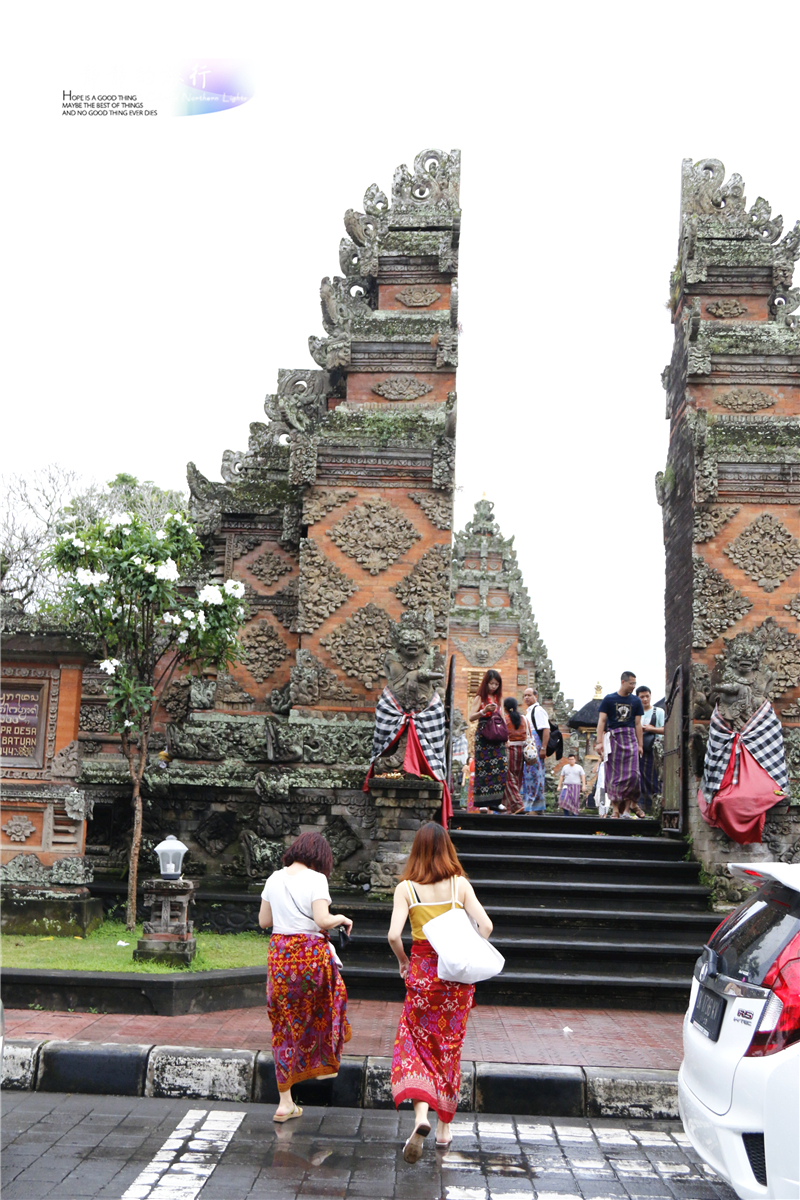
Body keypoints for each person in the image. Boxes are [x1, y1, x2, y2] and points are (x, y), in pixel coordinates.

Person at [388, 822, 493, 1163]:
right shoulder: (459, 885)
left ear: (416, 850)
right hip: (455, 982)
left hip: (421, 975)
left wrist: (404, 962)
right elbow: (487, 926)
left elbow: (393, 936)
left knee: (416, 1045)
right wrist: (467, 950)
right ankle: (445, 1130)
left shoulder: (406, 888)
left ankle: (421, 1118)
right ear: (447, 849)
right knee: (448, 1049)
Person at [259, 832, 353, 1122]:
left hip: (280, 958)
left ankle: (285, 1102)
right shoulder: (316, 879)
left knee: (283, 1024)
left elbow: (264, 922)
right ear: (320, 857)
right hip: (310, 958)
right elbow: (323, 921)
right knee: (330, 1004)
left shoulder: (274, 878)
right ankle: (325, 1061)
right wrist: (342, 919)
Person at [595, 672, 644, 818]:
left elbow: (638, 724)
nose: (634, 686)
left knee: (633, 775)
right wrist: (599, 742)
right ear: (623, 682)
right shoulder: (609, 699)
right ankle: (615, 809)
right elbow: (602, 721)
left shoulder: (636, 701)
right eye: (631, 683)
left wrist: (640, 745)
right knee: (614, 775)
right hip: (614, 737)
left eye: (635, 683)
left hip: (630, 738)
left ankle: (628, 809)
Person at [469, 670, 507, 812]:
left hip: (497, 734)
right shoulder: (480, 697)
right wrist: (484, 711)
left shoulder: (499, 698)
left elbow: (502, 717)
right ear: (486, 682)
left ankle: (496, 801)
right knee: (483, 768)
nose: (493, 686)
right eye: (491, 683)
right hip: (484, 733)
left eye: (496, 684)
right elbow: (471, 717)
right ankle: (482, 803)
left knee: (500, 766)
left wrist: (505, 737)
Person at [636, 685, 664, 816]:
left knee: (652, 779)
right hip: (636, 751)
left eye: (647, 696)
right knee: (637, 780)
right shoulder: (636, 713)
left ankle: (654, 808)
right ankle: (640, 808)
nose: (645, 699)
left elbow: (665, 729)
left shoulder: (658, 712)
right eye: (642, 697)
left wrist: (650, 729)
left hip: (652, 749)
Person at [503, 697, 527, 813]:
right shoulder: (524, 719)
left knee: (508, 778)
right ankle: (510, 808)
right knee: (518, 778)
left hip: (510, 750)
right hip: (522, 750)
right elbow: (529, 735)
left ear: (505, 708)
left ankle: (517, 804)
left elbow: (502, 736)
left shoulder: (505, 719)